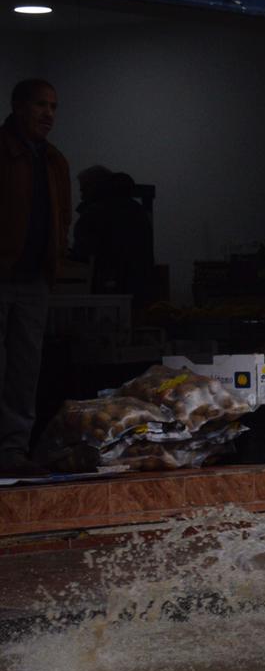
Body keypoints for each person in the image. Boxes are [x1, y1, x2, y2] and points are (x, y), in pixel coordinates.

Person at [0, 79, 70, 474]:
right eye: (41, 105)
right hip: (4, 274)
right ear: (18, 107)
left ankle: (13, 451)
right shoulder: (4, 152)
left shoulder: (54, 160)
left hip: (33, 281)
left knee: (24, 369)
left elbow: (62, 216)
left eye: (54, 106)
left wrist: (56, 258)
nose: (48, 114)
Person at [74, 165, 154, 306]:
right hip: (141, 286)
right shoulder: (137, 210)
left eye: (83, 189)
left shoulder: (94, 213)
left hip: (107, 289)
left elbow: (83, 253)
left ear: (94, 186)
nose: (81, 195)